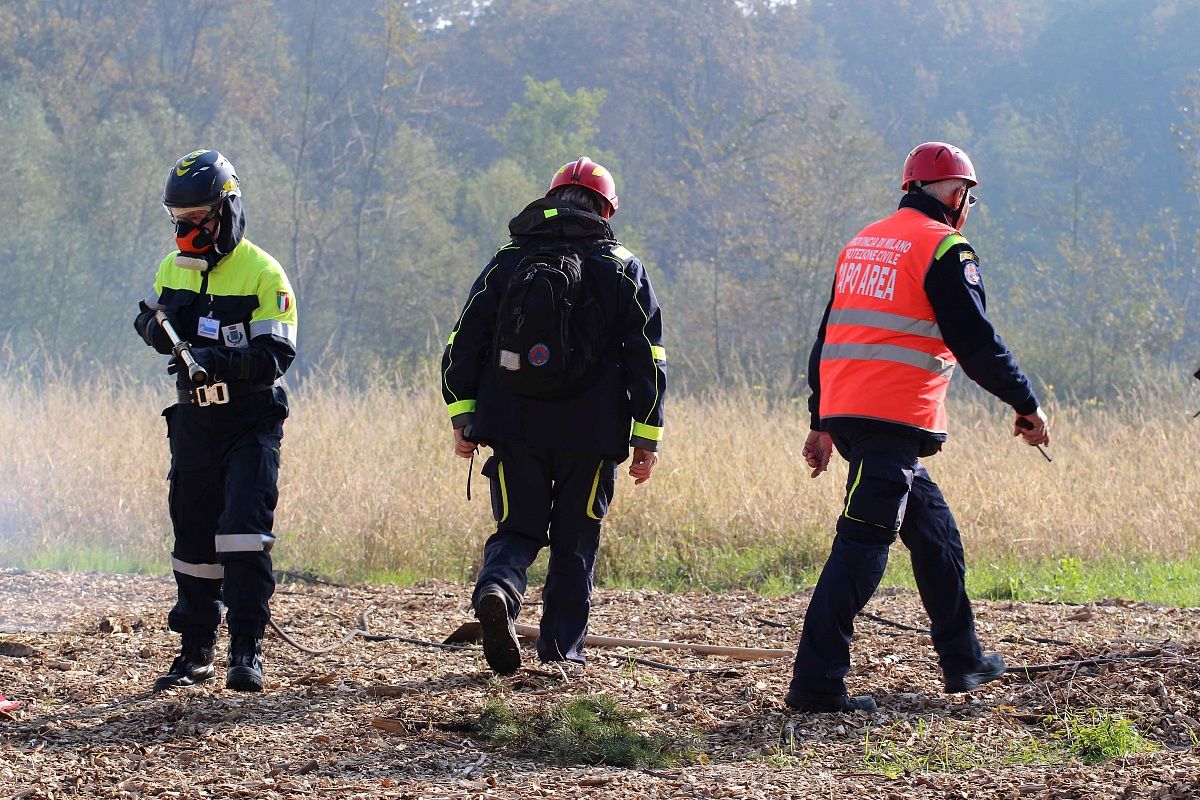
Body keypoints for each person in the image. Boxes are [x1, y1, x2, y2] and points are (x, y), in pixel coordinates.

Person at [786, 142, 1051, 713]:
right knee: (861, 547)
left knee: (935, 537)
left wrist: (822, 421)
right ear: (957, 196)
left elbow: (827, 337)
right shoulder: (945, 248)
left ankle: (966, 662)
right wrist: (1025, 404)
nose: (969, 207)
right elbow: (976, 343)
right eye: (969, 197)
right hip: (891, 417)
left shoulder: (863, 241)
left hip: (856, 417)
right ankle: (816, 686)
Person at [441, 156, 666, 675]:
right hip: (590, 438)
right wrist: (646, 436)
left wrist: (463, 415)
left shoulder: (508, 260)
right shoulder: (623, 267)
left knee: (517, 529)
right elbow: (647, 357)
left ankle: (498, 589)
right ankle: (559, 656)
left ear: (550, 199)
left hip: (513, 427)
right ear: (606, 210)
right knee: (574, 544)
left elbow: (462, 341)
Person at [133, 149, 297, 693]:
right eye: (177, 219)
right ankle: (194, 650)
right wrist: (153, 330)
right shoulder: (170, 268)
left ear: (225, 211)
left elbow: (276, 355)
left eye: (196, 217)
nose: (185, 229)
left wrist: (219, 362)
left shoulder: (263, 272)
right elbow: (158, 319)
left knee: (244, 534)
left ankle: (246, 649)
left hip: (250, 420)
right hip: (193, 421)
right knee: (194, 534)